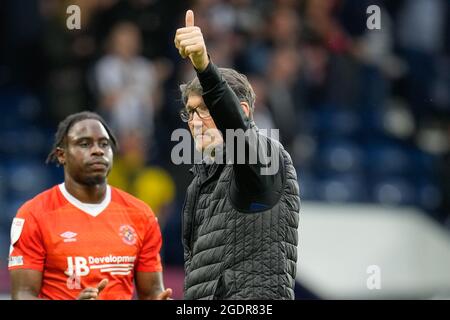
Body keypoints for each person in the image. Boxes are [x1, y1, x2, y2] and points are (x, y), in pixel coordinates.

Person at [174, 10, 300, 300]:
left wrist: (204, 67)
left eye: (205, 109)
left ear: (242, 111)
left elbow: (239, 133)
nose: (194, 121)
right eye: (190, 112)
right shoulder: (201, 180)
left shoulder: (267, 156)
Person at [8, 111, 172, 300]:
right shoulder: (33, 215)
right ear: (62, 155)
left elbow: (152, 293)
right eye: (84, 144)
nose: (98, 150)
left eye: (104, 144)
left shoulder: (141, 214)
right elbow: (22, 295)